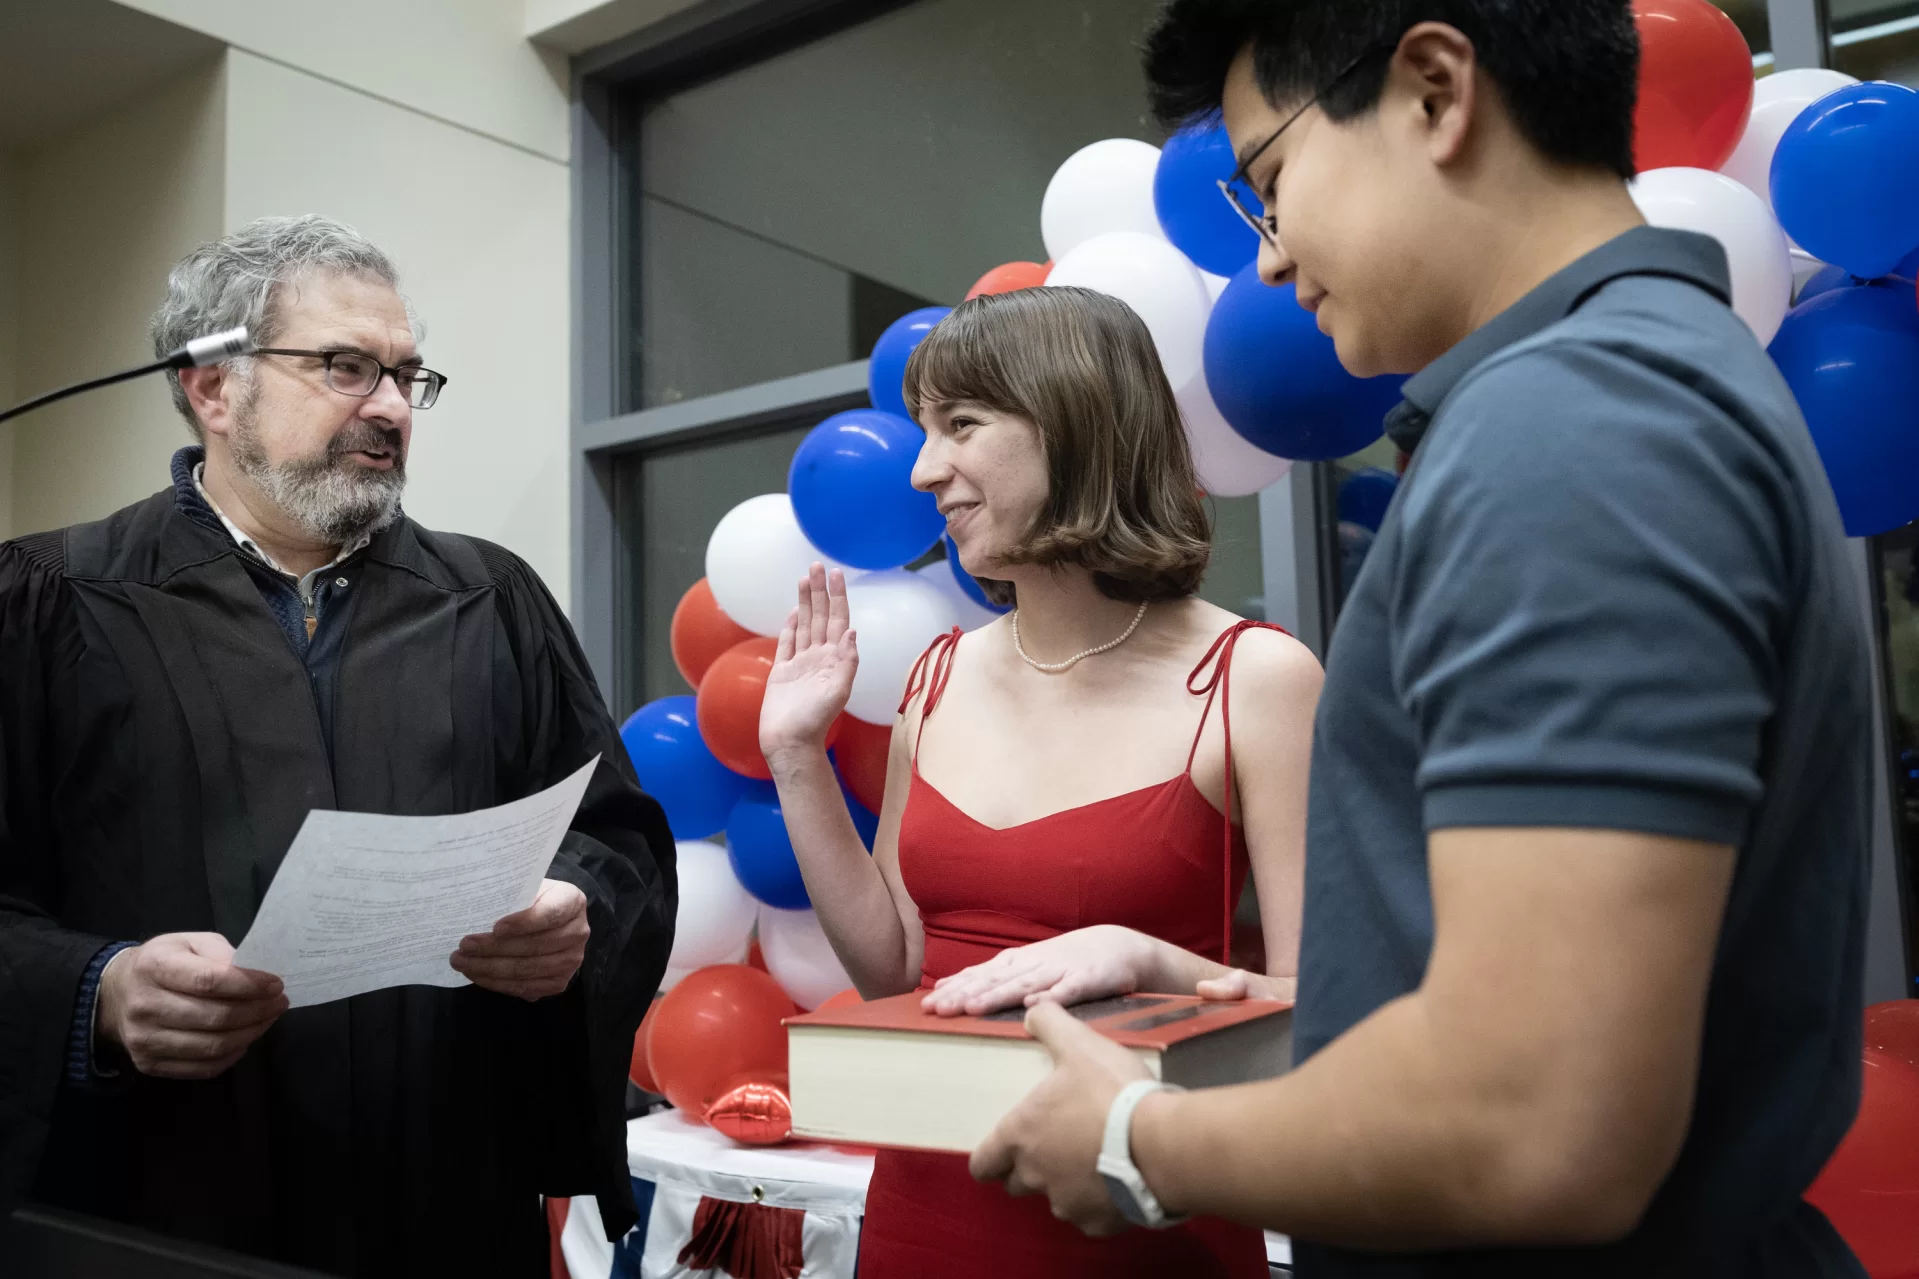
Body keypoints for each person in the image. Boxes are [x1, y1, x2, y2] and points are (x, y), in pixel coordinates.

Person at [969, 3, 1876, 1276]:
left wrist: (1135, 1142)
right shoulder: (1641, 383)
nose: (1269, 261)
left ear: (1435, 91)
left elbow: (1541, 1119)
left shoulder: (1570, 427)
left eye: (1270, 184)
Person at [0, 215, 677, 1276]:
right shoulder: (50, 602)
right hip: (158, 1209)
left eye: (410, 376)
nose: (393, 408)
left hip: (445, 1202)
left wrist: (568, 905)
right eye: (346, 368)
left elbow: (614, 833)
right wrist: (100, 991)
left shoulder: (488, 600)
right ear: (212, 389)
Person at [757, 284, 1323, 1278]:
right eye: (923, 432)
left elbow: (1327, 1015)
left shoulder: (1256, 679)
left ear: (1074, 422)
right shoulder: (934, 678)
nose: (926, 468)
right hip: (922, 1220)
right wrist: (796, 757)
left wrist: (1144, 957)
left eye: (961, 425)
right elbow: (894, 967)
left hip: (1144, 1227)